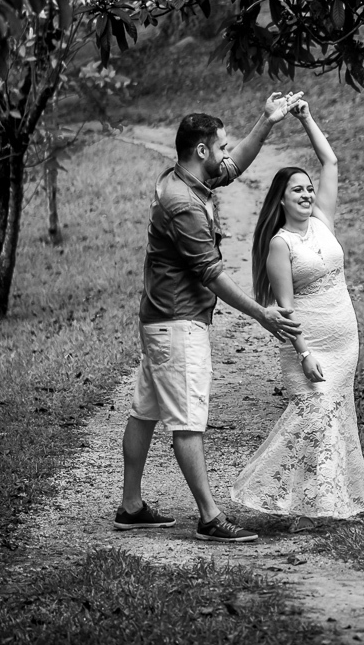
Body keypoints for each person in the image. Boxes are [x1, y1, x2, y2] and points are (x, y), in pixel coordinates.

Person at [115, 91, 305, 543]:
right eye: (219, 146)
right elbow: (212, 272)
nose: (224, 154)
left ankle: (130, 506)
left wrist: (267, 122)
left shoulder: (184, 180)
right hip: (178, 323)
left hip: (161, 318)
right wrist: (262, 314)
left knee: (145, 411)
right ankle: (209, 518)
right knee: (188, 420)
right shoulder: (182, 202)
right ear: (200, 150)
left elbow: (233, 167)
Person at [231, 99, 364, 528]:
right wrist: (305, 352)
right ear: (282, 199)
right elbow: (286, 308)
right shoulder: (280, 244)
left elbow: (329, 159)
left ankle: (322, 505)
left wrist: (306, 117)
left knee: (334, 418)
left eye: (310, 189)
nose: (308, 194)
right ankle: (275, 496)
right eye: (298, 190)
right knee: (311, 419)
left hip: (344, 340)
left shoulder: (323, 222)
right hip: (309, 344)